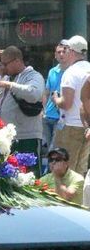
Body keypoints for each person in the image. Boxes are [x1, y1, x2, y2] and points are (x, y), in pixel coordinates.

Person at [0, 46, 45, 176]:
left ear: (17, 61)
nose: (3, 67)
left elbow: (34, 94)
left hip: (27, 138)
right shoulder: (7, 78)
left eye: (5, 64)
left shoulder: (34, 76)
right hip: (7, 139)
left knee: (30, 177)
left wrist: (9, 85)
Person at [52, 35, 90, 175]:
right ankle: (80, 197)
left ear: (71, 51)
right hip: (87, 127)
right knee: (81, 170)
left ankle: (65, 197)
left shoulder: (70, 73)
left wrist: (56, 99)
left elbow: (66, 103)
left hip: (70, 127)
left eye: (66, 49)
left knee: (65, 171)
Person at [42, 41, 67, 152]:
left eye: (63, 52)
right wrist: (43, 110)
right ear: (55, 55)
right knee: (48, 147)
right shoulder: (52, 71)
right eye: (58, 52)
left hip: (61, 118)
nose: (61, 54)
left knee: (54, 149)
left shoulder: (71, 72)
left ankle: (49, 169)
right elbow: (46, 92)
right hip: (47, 116)